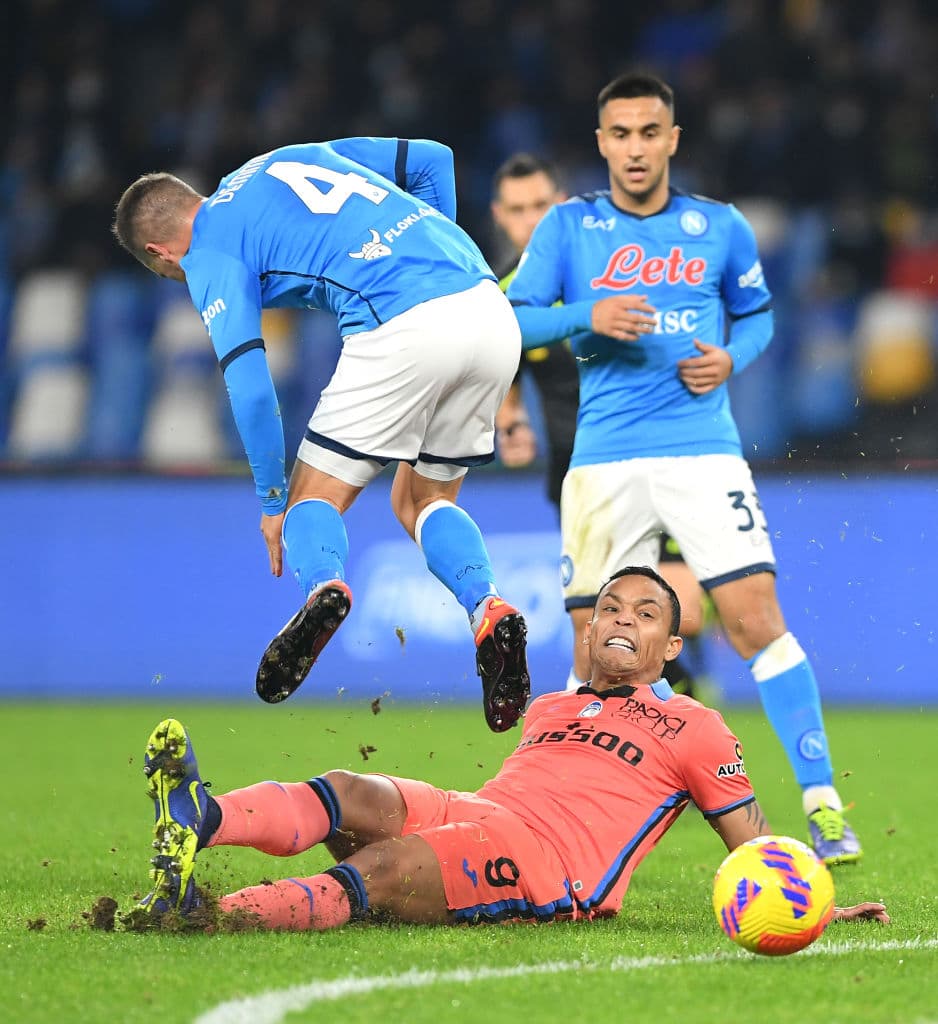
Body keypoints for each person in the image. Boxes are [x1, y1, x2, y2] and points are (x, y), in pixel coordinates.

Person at [505, 72, 862, 863]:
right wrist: (584, 316)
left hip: (703, 449)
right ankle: (556, 827)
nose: (635, 148)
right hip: (602, 461)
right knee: (593, 658)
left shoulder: (719, 226)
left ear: (673, 139)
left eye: (649, 132)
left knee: (754, 621)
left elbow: (760, 313)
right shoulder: (567, 229)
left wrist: (733, 357)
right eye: (620, 134)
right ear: (602, 144)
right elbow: (515, 315)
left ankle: (822, 805)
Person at [135, 566, 888, 934]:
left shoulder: (697, 725)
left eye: (646, 612)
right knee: (347, 789)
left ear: (672, 642)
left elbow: (752, 846)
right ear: (588, 632)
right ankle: (199, 819)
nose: (622, 619)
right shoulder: (554, 705)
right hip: (482, 811)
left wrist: (817, 904)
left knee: (383, 869)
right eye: (609, 609)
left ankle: (207, 915)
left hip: (551, 868)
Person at [112, 137, 530, 732]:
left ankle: (324, 589)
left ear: (160, 253)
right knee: (421, 501)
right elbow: (435, 159)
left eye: (165, 271)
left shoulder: (207, 252)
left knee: (315, 498)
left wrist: (271, 501)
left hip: (400, 320)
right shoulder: (281, 159)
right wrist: (427, 263)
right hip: (485, 303)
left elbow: (252, 388)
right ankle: (488, 606)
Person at [489, 153, 708, 699]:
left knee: (684, 614)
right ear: (500, 215)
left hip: (651, 455)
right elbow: (500, 371)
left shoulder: (610, 269)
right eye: (518, 210)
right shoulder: (506, 299)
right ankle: (624, 747)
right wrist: (510, 419)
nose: (531, 219)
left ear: (560, 203)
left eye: (541, 204)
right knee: (596, 631)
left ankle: (674, 702)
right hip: (577, 471)